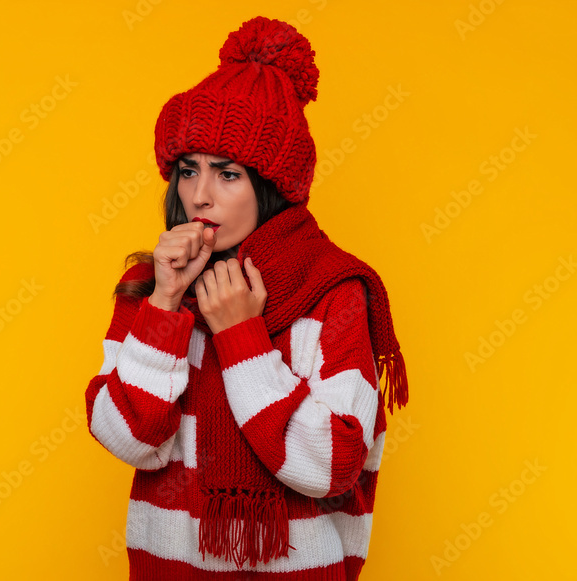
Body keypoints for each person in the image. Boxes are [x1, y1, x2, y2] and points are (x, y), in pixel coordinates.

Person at [83, 16, 410, 580]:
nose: (199, 196)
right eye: (188, 171)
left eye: (227, 174)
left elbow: (331, 466)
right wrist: (164, 303)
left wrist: (240, 336)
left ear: (272, 184)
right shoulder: (154, 282)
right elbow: (128, 439)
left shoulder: (333, 292)